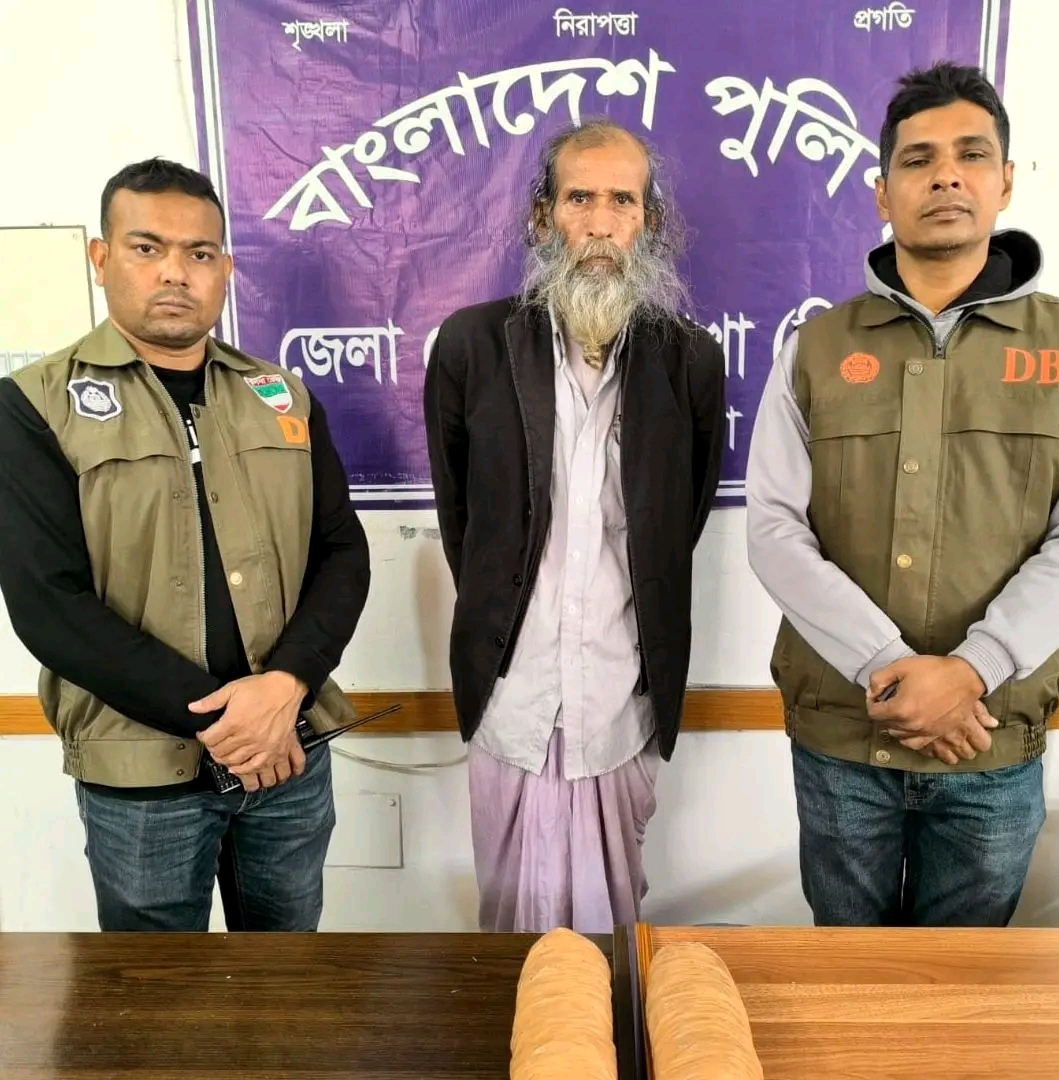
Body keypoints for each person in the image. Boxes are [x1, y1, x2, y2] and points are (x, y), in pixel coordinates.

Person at [746, 62, 1059, 927]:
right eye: (917, 160)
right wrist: (887, 669)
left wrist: (971, 671)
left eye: (969, 155)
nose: (945, 176)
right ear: (883, 192)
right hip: (842, 737)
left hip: (989, 739)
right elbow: (772, 527)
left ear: (1004, 181)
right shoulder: (815, 347)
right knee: (845, 975)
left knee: (962, 984)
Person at [0, 159, 370, 932]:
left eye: (199, 253)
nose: (175, 272)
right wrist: (226, 722)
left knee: (285, 978)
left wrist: (285, 686)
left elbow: (341, 552)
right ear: (101, 258)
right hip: (142, 774)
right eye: (147, 248)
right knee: (157, 991)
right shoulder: (34, 405)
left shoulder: (282, 396)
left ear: (225, 270)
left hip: (289, 754)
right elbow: (48, 604)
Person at [424, 119, 726, 934]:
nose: (599, 224)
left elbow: (677, 524)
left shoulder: (688, 360)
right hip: (512, 699)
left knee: (612, 933)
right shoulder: (472, 345)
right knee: (509, 938)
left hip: (619, 703)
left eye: (621, 202)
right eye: (578, 199)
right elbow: (463, 522)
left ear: (647, 222)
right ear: (542, 216)